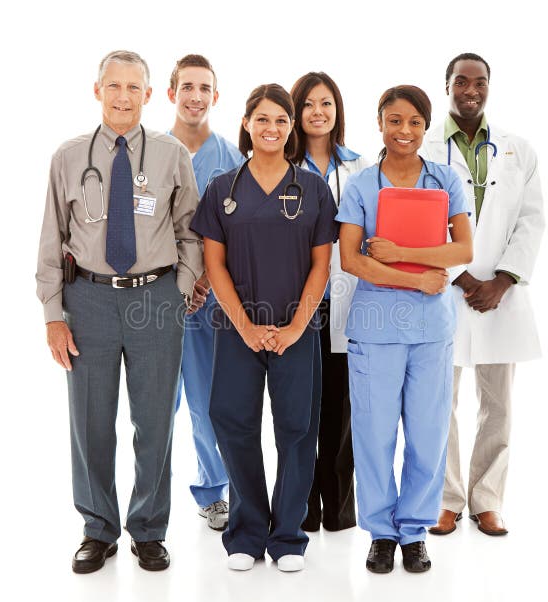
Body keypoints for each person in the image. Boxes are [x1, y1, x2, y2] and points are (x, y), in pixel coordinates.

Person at [36, 50, 205, 574]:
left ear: (150, 96)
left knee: (154, 421)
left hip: (155, 298)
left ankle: (149, 529)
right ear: (97, 90)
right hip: (87, 298)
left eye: (135, 88)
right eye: (115, 86)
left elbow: (192, 231)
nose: (124, 97)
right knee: (90, 422)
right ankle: (98, 529)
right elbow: (51, 239)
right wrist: (52, 313)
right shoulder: (67, 158)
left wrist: (180, 288)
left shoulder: (171, 153)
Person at [190, 84, 337, 573]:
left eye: (281, 120)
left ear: (291, 128)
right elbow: (214, 263)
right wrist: (247, 326)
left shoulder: (312, 188)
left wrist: (296, 326)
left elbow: (321, 265)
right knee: (232, 422)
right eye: (262, 118)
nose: (271, 128)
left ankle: (288, 537)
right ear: (247, 123)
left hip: (297, 329)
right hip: (237, 329)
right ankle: (246, 531)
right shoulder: (222, 189)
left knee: (297, 429)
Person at [337, 85, 473, 574]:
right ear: (379, 123)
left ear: (425, 127)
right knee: (373, 436)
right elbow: (352, 260)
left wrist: (403, 254)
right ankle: (381, 534)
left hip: (431, 331)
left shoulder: (445, 182)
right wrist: (403, 272)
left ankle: (414, 531)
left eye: (415, 122)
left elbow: (463, 251)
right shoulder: (360, 187)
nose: (405, 131)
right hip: (375, 328)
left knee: (429, 433)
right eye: (395, 120)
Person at [421, 53, 545, 537]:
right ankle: (447, 499)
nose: (470, 90)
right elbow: (419, 218)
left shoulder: (519, 149)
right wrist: (462, 276)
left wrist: (503, 279)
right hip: (445, 291)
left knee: (500, 405)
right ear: (446, 85)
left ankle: (487, 499)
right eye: (461, 81)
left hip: (502, 295)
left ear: (489, 86)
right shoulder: (427, 148)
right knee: (439, 402)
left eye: (480, 82)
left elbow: (531, 219)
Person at [289, 72, 370, 533]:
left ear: (338, 111)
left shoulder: (359, 168)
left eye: (327, 104)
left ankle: (338, 510)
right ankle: (301, 509)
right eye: (309, 104)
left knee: (340, 409)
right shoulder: (279, 163)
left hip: (347, 300)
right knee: (300, 406)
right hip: (295, 298)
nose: (318, 112)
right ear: (296, 111)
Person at [167, 54, 244, 532]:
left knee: (204, 401)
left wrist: (204, 282)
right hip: (151, 298)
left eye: (205, 88)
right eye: (187, 87)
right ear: (172, 91)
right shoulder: (147, 150)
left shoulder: (232, 159)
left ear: (216, 96)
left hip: (207, 302)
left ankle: (213, 491)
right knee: (151, 407)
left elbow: (239, 234)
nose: (196, 96)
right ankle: (145, 500)